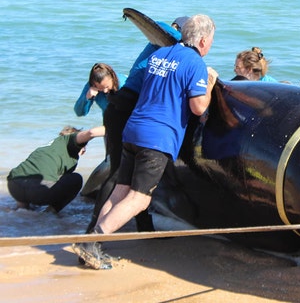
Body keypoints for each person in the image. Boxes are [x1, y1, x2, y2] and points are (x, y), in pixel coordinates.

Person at [72, 14, 217, 270]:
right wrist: (209, 84)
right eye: (212, 41)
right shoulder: (195, 63)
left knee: (120, 191)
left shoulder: (159, 55)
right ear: (203, 40)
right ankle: (92, 242)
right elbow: (197, 107)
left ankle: (90, 240)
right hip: (157, 139)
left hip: (133, 130)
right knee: (140, 199)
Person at [85, 17, 186, 234]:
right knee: (117, 175)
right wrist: (179, 34)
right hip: (122, 107)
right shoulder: (161, 41)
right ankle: (92, 229)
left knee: (131, 177)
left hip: (125, 108)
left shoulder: (168, 53)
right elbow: (161, 26)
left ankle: (144, 227)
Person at [7, 126, 105, 213]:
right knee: (76, 179)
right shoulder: (69, 141)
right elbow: (91, 132)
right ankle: (50, 213)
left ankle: (22, 210)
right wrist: (114, 126)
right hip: (37, 191)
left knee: (36, 176)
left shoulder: (46, 148)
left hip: (13, 186)